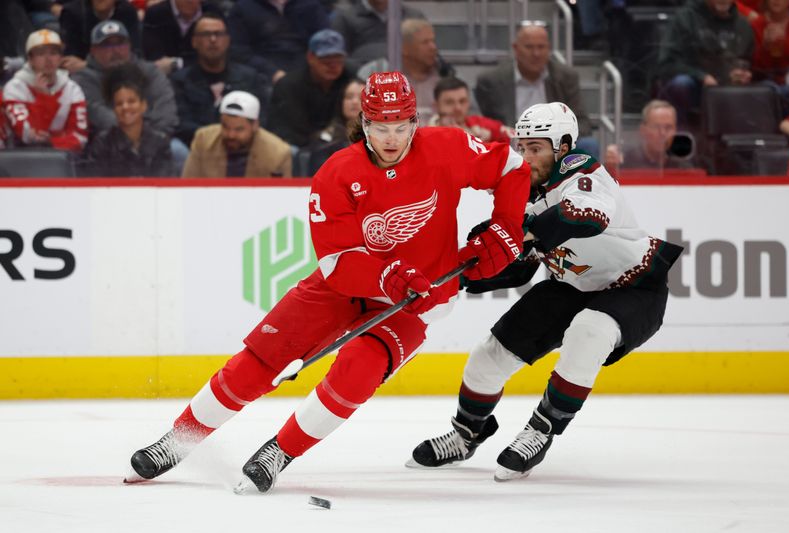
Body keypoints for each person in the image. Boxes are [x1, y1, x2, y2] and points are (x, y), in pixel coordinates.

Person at [124, 71, 531, 494]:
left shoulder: (447, 147)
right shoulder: (337, 173)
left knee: (358, 369)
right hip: (344, 286)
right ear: (364, 123)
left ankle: (279, 452)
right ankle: (177, 441)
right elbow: (337, 263)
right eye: (380, 127)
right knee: (263, 358)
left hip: (415, 302)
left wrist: (507, 227)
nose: (392, 139)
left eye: (401, 127)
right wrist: (386, 274)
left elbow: (513, 167)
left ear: (415, 122)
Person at [407, 101, 683, 482]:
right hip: (569, 286)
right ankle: (466, 433)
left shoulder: (584, 174)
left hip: (634, 286)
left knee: (590, 330)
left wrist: (523, 233)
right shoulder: (521, 192)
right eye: (521, 147)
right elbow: (518, 269)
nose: (525, 157)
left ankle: (542, 429)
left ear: (563, 147)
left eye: (535, 148)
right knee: (489, 357)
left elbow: (583, 217)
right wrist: (462, 277)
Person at [474, 21, 595, 156]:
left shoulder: (565, 77)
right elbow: (483, 122)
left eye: (541, 47)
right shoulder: (491, 81)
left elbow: (582, 122)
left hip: (554, 145)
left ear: (548, 48)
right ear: (516, 49)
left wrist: (555, 139)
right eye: (529, 47)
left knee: (589, 145)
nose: (536, 53)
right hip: (511, 145)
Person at [170, 13, 271, 147]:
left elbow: (262, 118)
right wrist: (221, 135)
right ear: (194, 42)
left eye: (219, 34)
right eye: (206, 34)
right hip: (197, 148)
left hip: (245, 146)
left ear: (228, 40)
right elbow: (181, 124)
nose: (213, 39)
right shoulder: (179, 81)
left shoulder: (250, 77)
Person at [71, 20, 179, 138]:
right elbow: (101, 117)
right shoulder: (82, 80)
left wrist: (152, 139)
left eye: (120, 43)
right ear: (93, 50)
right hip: (107, 143)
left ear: (129, 45)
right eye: (106, 45)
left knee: (178, 151)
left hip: (156, 139)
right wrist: (134, 136)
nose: (115, 51)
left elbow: (165, 109)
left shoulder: (150, 72)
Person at [657, 0, 754, 127]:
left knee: (765, 89)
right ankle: (679, 137)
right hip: (695, 88)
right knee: (681, 84)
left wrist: (744, 74)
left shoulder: (743, 25)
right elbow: (666, 64)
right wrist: (701, 76)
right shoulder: (685, 18)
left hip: (729, 89)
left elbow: (747, 62)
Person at [2, 29, 87, 152]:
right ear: (30, 59)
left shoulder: (72, 89)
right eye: (41, 54)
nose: (48, 59)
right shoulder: (15, 88)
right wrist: (43, 97)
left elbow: (80, 138)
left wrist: (51, 143)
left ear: (60, 57)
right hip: (22, 158)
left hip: (64, 160)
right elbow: (27, 136)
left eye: (53, 53)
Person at [266, 29, 352, 149]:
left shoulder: (351, 79)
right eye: (326, 58)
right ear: (310, 57)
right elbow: (288, 129)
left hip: (339, 140)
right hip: (298, 144)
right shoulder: (289, 85)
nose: (333, 65)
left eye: (338, 58)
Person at [83, 63, 173, 177]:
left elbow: (165, 184)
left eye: (131, 101)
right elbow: (95, 185)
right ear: (114, 109)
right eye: (119, 104)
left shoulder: (160, 141)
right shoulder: (102, 143)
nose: (125, 107)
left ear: (143, 105)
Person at [358, 19, 454, 125]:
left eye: (433, 41)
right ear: (404, 48)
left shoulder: (445, 74)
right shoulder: (374, 72)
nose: (433, 47)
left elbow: (470, 113)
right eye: (425, 42)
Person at [182, 90, 292, 178]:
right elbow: (188, 187)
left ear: (255, 125)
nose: (231, 135)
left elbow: (280, 199)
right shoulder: (203, 139)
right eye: (225, 127)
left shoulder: (278, 153)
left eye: (238, 129)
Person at [227, 0, 330, 85]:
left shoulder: (310, 6)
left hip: (307, 69)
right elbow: (239, 51)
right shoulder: (243, 8)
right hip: (263, 73)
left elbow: (325, 42)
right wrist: (272, 72)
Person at [331, 0, 426, 72]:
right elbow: (339, 58)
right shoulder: (344, 18)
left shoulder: (413, 16)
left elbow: (427, 52)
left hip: (407, 80)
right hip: (361, 83)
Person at [604, 99, 694, 174]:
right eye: (656, 127)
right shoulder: (625, 161)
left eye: (668, 127)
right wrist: (610, 167)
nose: (662, 133)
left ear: (675, 130)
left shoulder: (683, 166)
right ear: (643, 130)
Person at [141, 0, 224, 75]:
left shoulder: (213, 12)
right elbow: (153, 57)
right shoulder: (156, 13)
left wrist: (177, 63)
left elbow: (220, 55)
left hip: (203, 76)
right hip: (164, 77)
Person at [59, 0, 142, 73]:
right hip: (87, 76)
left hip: (121, 71)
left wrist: (88, 66)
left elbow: (135, 53)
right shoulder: (72, 13)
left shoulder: (128, 11)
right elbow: (70, 61)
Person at [306, 77, 365, 175]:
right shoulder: (326, 139)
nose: (354, 102)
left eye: (361, 98)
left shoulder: (380, 139)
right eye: (349, 97)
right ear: (341, 102)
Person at [428, 76, 512, 144]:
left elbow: (517, 136)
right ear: (436, 106)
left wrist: (493, 136)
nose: (458, 108)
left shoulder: (479, 123)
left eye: (462, 101)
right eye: (449, 102)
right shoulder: (426, 135)